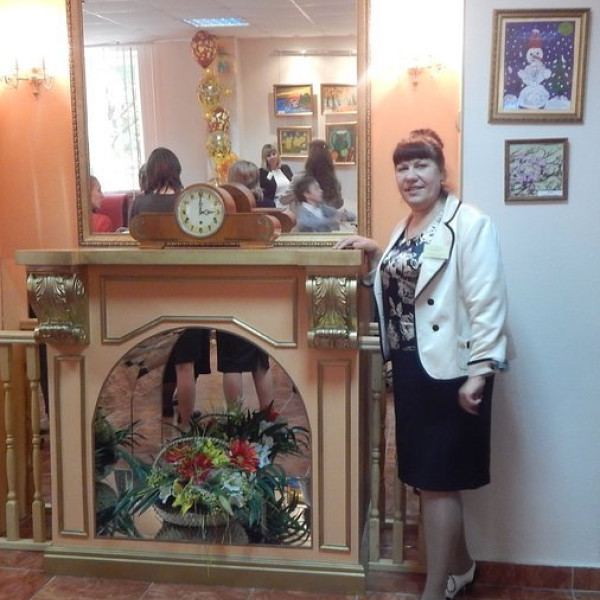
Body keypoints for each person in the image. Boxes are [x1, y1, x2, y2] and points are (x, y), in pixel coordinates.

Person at [336, 128, 508, 600]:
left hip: (453, 371)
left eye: (421, 165)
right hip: (412, 370)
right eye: (402, 167)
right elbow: (406, 288)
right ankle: (463, 568)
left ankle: (434, 591)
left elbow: (488, 302)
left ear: (441, 171)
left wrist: (480, 372)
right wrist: (377, 257)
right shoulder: (405, 226)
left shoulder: (470, 224)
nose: (410, 176)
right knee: (429, 480)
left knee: (437, 483)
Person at [129, 147, 208, 430]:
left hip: (151, 291)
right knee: (185, 365)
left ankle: (160, 418)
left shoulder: (140, 204)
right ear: (176, 170)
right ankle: (185, 426)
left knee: (158, 361)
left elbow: (134, 244)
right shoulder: (189, 201)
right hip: (187, 289)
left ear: (150, 172)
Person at [129, 147, 183, 218]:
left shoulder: (138, 203)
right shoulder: (187, 202)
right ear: (177, 171)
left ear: (150, 173)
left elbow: (132, 225)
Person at [259, 144, 293, 208]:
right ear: (265, 159)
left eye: (274, 154)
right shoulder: (263, 172)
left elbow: (292, 184)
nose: (272, 157)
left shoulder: (285, 168)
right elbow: (264, 194)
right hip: (276, 205)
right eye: (269, 156)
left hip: (290, 202)